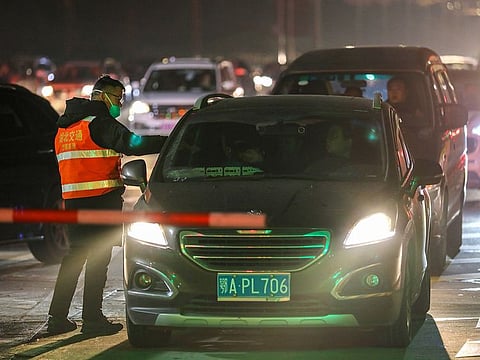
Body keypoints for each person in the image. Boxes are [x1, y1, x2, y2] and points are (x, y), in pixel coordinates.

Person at [47, 75, 166, 336]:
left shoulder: (65, 127)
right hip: (100, 201)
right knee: (98, 260)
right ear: (101, 96)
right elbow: (134, 143)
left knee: (73, 259)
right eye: (116, 98)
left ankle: (56, 319)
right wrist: (168, 141)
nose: (119, 104)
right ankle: (92, 320)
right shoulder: (100, 124)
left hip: (74, 204)